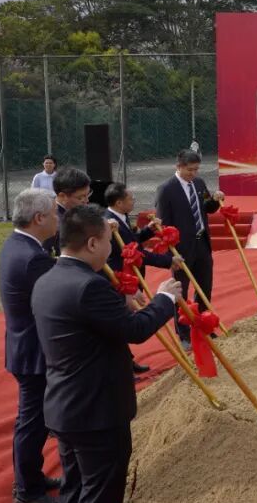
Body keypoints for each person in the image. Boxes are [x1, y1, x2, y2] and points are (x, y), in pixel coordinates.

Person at [32, 205, 180, 503]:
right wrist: (165, 299)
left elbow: (100, 327)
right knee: (101, 490)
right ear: (92, 243)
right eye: (107, 242)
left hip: (67, 404)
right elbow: (135, 330)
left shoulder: (50, 278)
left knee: (76, 486)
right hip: (96, 408)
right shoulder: (89, 286)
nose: (111, 250)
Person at [0, 188, 60, 503]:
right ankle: (27, 490)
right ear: (38, 218)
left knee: (35, 420)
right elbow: (56, 297)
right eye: (54, 214)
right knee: (32, 422)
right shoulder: (33, 257)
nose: (58, 220)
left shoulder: (17, 244)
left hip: (24, 346)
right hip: (33, 351)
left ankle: (32, 477)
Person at [105, 182, 179, 376]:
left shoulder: (120, 218)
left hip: (131, 277)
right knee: (122, 321)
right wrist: (168, 261)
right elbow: (136, 253)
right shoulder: (109, 223)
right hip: (121, 280)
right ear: (119, 202)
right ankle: (123, 365)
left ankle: (127, 360)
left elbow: (133, 241)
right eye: (131, 199)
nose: (134, 202)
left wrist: (149, 230)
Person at [155, 149, 223, 346]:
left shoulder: (199, 183)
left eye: (196, 169)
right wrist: (171, 253)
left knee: (204, 287)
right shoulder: (166, 189)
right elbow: (163, 224)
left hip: (202, 243)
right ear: (179, 167)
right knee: (181, 291)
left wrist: (215, 200)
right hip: (181, 249)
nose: (193, 173)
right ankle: (184, 333)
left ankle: (204, 325)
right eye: (190, 170)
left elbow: (207, 208)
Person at [43, 167, 91, 256]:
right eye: (81, 197)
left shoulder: (72, 212)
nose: (86, 200)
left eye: (88, 195)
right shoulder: (56, 225)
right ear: (62, 196)